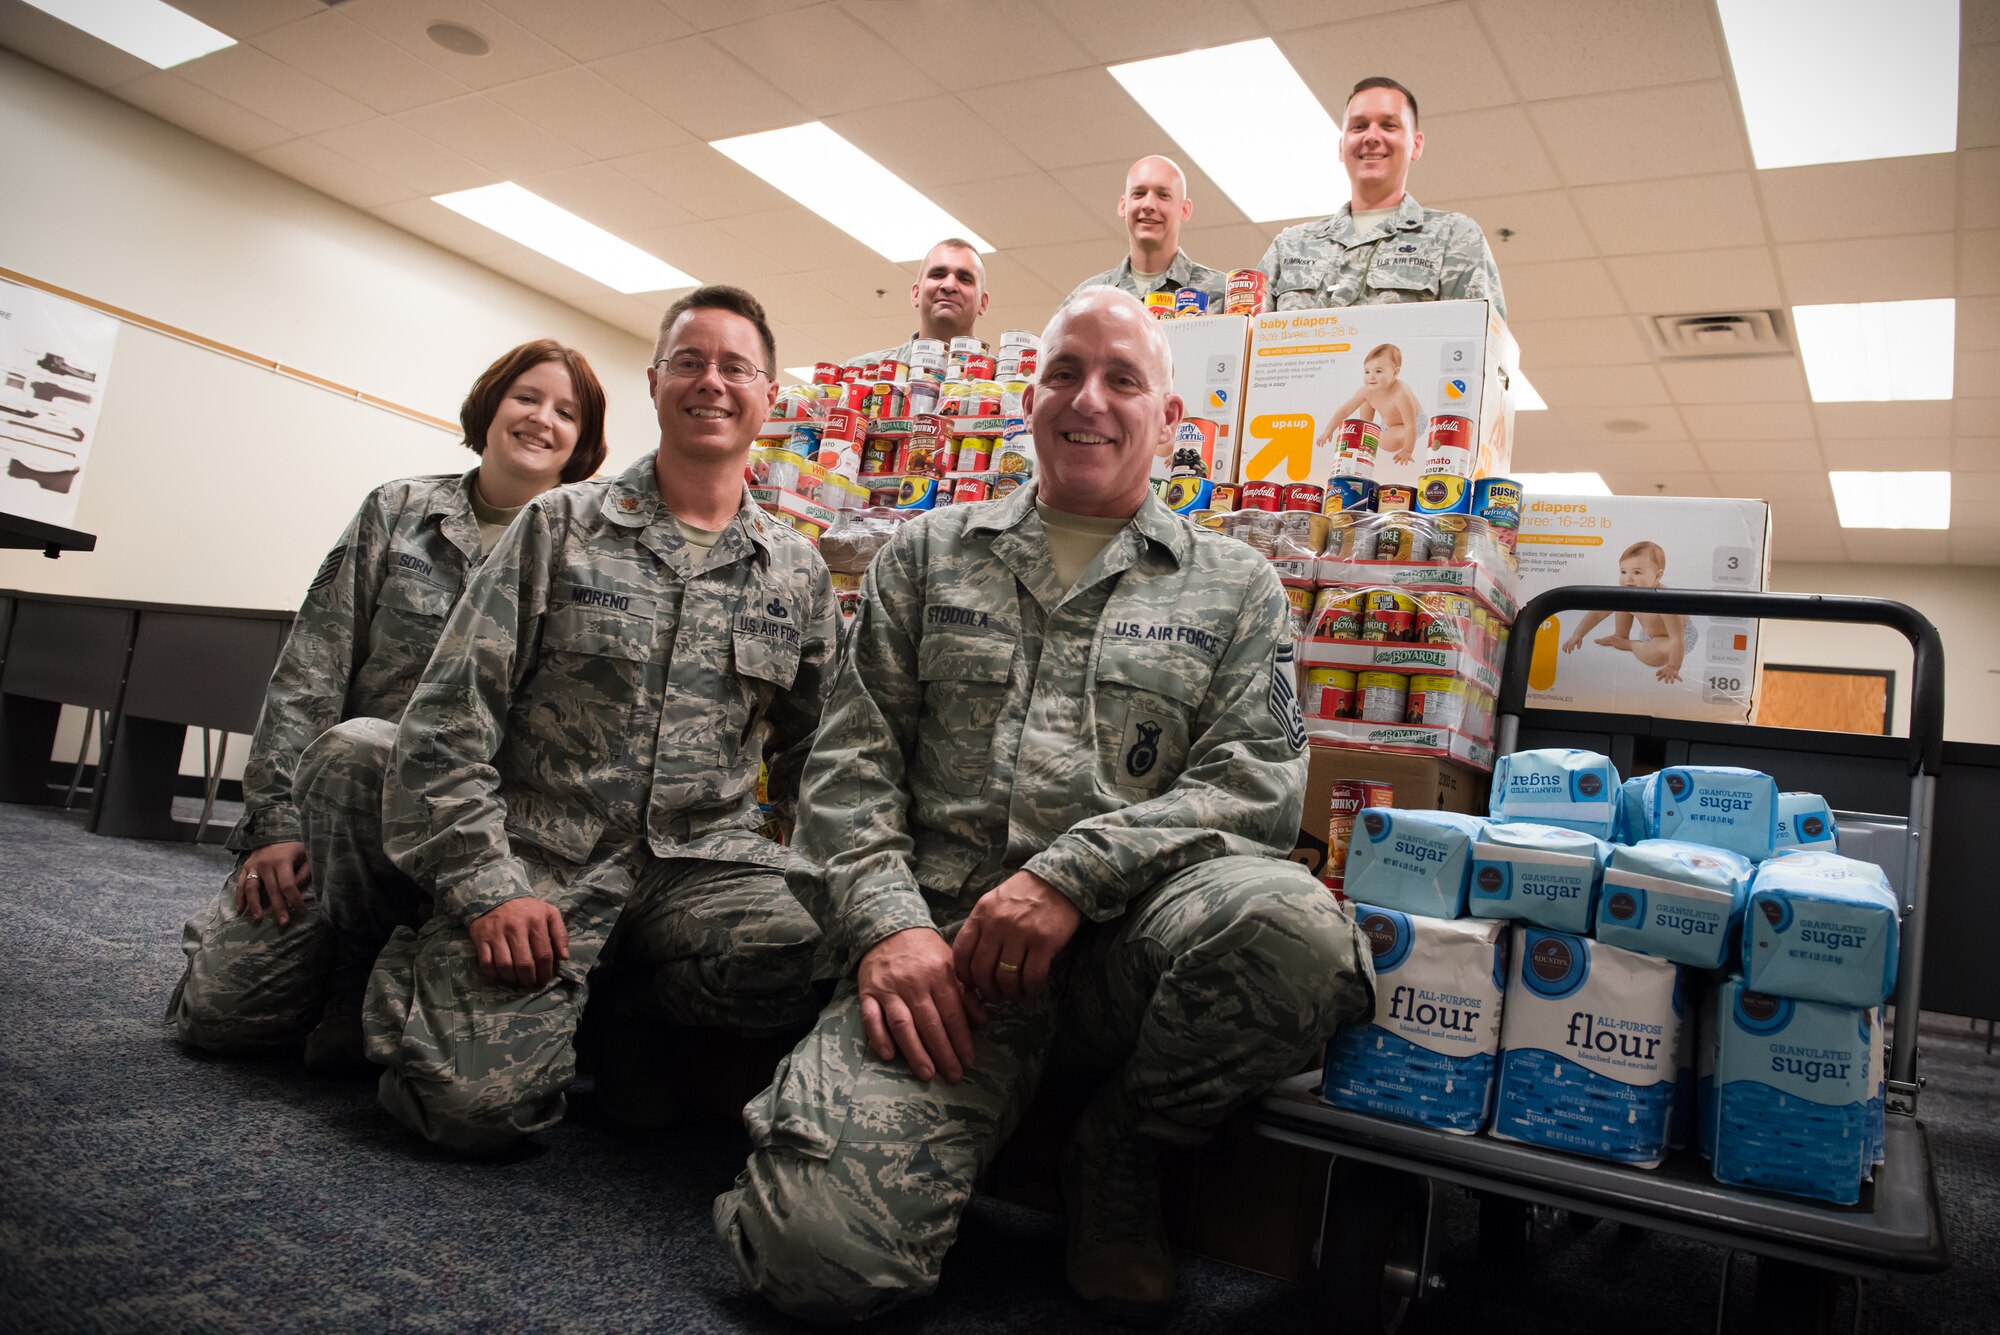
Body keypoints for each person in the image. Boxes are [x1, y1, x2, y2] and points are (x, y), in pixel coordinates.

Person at [714, 287, 1375, 1323]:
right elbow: (844, 771)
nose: (1088, 400)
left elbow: (1252, 786)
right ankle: (929, 1124)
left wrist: (1071, 874)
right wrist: (886, 930)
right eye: (1065, 371)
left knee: (1295, 929)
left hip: (1127, 957)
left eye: (1121, 379)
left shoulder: (1236, 585)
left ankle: (1120, 1149)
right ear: (1030, 398)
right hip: (947, 969)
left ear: (1169, 420)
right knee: (817, 1269)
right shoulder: (925, 556)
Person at [342, 284, 838, 1155]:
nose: (710, 382)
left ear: (769, 395)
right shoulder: (560, 526)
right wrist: (486, 885)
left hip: (701, 865)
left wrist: (825, 869)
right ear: (654, 382)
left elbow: (822, 753)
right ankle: (424, 967)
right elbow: (446, 724)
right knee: (471, 1113)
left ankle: (624, 1009)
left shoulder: (794, 571)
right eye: (689, 361)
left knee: (825, 944)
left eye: (735, 367)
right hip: (546, 855)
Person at [169, 339, 607, 1067]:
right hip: (348, 814)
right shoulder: (400, 510)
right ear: (491, 406)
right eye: (526, 397)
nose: (541, 419)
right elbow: (312, 666)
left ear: (582, 441)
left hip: (483, 828)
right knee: (222, 1018)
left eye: (567, 412)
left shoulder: (589, 553)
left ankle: (385, 977)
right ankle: (325, 957)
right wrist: (275, 826)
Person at [1257, 76, 1507, 319]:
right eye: (1359, 126)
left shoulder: (1454, 237)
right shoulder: (1290, 246)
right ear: (1341, 146)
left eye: (1389, 125)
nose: (1371, 137)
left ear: (1416, 145)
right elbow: (1244, 339)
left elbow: (1479, 345)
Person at [1067, 155, 1227, 308]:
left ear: (1185, 209)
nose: (1148, 204)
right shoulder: (1085, 300)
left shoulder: (1223, 295)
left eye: (1163, 195)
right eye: (1139, 194)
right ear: (1123, 206)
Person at [1562, 541, 1687, 683]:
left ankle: (1630, 644)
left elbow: (1677, 639)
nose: (1628, 578)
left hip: (1673, 637)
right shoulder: (1629, 591)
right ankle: (1620, 635)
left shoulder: (1666, 602)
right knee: (1621, 600)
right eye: (1623, 571)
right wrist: (1577, 634)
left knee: (1656, 656)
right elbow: (1597, 613)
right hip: (1654, 633)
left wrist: (1673, 666)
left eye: (1637, 572)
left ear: (1657, 577)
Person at [854, 237, 990, 364]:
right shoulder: (863, 370)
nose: (949, 285)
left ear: (983, 303)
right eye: (937, 275)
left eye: (965, 279)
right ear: (916, 293)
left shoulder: (1001, 381)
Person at [1317, 342, 1423, 464]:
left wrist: (1407, 450)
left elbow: (1411, 425)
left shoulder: (1401, 393)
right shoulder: (1368, 389)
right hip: (1389, 422)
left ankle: (1373, 437)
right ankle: (1366, 429)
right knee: (1365, 397)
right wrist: (1328, 430)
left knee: (1390, 442)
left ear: (1395, 373)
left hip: (1411, 423)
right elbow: (1345, 410)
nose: (1371, 377)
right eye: (1367, 372)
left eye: (1378, 371)